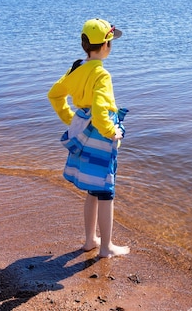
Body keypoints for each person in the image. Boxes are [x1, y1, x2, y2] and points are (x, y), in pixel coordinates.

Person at [48, 18, 130, 258]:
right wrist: (111, 132)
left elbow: (54, 94)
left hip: (83, 131)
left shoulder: (76, 68)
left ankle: (89, 240)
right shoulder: (101, 74)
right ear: (105, 46)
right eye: (111, 42)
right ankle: (106, 247)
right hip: (99, 136)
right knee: (106, 191)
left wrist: (70, 118)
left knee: (93, 190)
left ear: (85, 44)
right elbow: (100, 110)